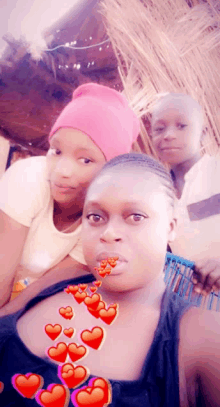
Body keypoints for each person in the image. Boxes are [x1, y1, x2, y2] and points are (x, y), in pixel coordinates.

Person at [0, 153, 220, 407]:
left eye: (135, 217)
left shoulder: (201, 337)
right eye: (96, 217)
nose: (109, 233)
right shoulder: (58, 283)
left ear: (170, 227)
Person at [0, 83, 140, 308]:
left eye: (85, 160)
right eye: (56, 151)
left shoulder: (105, 227)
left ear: (110, 171)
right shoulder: (28, 178)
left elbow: (41, 293)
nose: (61, 171)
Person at [150, 92, 220, 296]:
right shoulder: (156, 192)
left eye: (182, 126)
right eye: (159, 129)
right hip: (190, 304)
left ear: (203, 132)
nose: (169, 135)